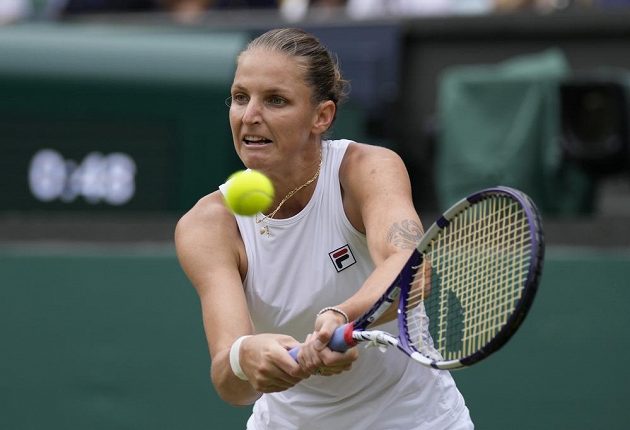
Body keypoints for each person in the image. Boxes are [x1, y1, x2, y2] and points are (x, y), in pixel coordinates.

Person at [175, 28, 474, 429]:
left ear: (322, 116)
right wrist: (246, 357)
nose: (250, 116)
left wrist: (343, 316)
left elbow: (412, 272)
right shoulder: (208, 225)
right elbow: (232, 386)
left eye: (275, 100)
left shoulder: (367, 169)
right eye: (241, 97)